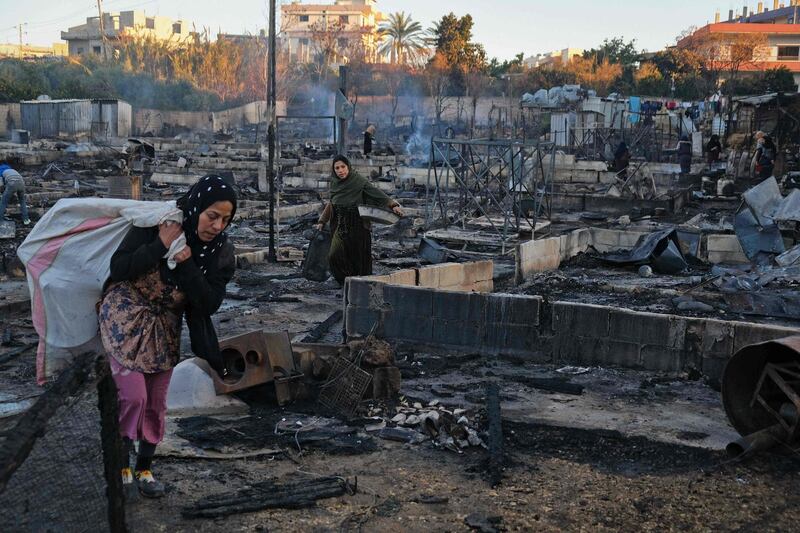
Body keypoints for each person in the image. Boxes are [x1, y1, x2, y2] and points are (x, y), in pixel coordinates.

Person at [98, 175, 236, 499]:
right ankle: (121, 468)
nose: (217, 226)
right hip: (126, 320)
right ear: (197, 207)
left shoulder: (220, 254)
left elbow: (208, 302)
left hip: (164, 330)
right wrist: (160, 245)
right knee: (133, 398)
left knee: (156, 404)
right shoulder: (158, 224)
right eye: (212, 216)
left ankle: (144, 467)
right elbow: (119, 267)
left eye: (225, 220)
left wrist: (187, 264)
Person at [314, 155, 403, 284]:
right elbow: (331, 203)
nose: (340, 170)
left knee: (357, 255)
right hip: (340, 223)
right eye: (337, 168)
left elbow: (376, 193)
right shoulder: (334, 183)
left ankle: (359, 284)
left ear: (348, 167)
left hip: (357, 223)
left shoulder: (359, 181)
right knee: (334, 255)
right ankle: (344, 280)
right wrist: (322, 221)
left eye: (343, 167)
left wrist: (393, 205)